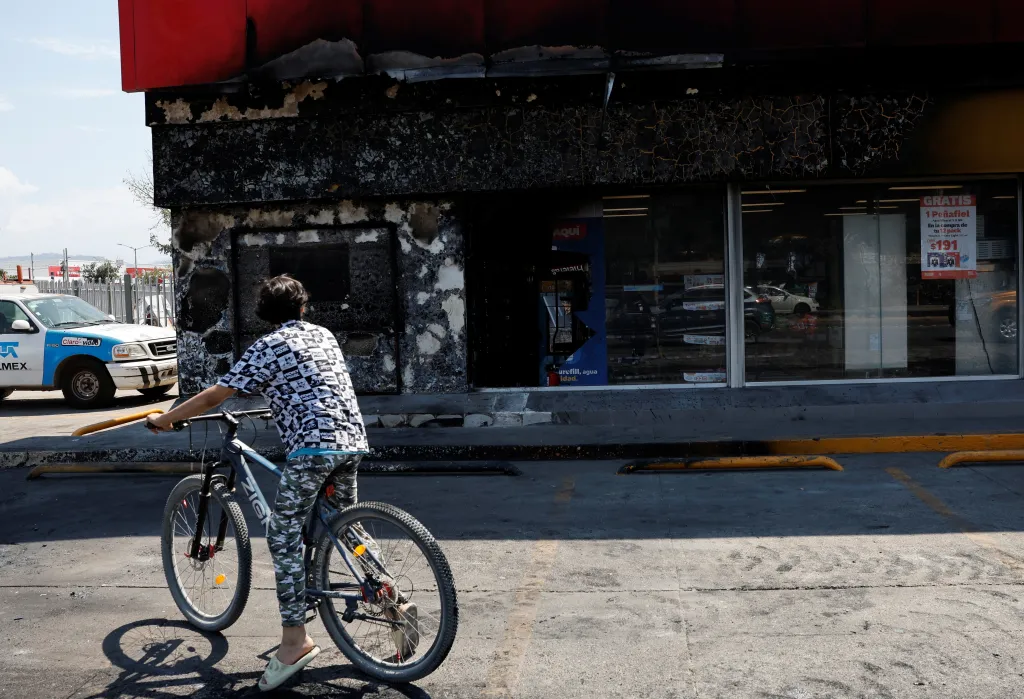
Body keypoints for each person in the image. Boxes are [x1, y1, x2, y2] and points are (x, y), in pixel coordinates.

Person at [146, 274, 369, 692]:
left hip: (314, 449)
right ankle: (388, 595)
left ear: (265, 314)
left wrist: (168, 417)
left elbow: (216, 396)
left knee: (283, 536)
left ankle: (295, 642)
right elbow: (312, 387)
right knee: (344, 526)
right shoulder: (322, 335)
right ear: (303, 307)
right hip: (352, 440)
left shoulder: (269, 345)